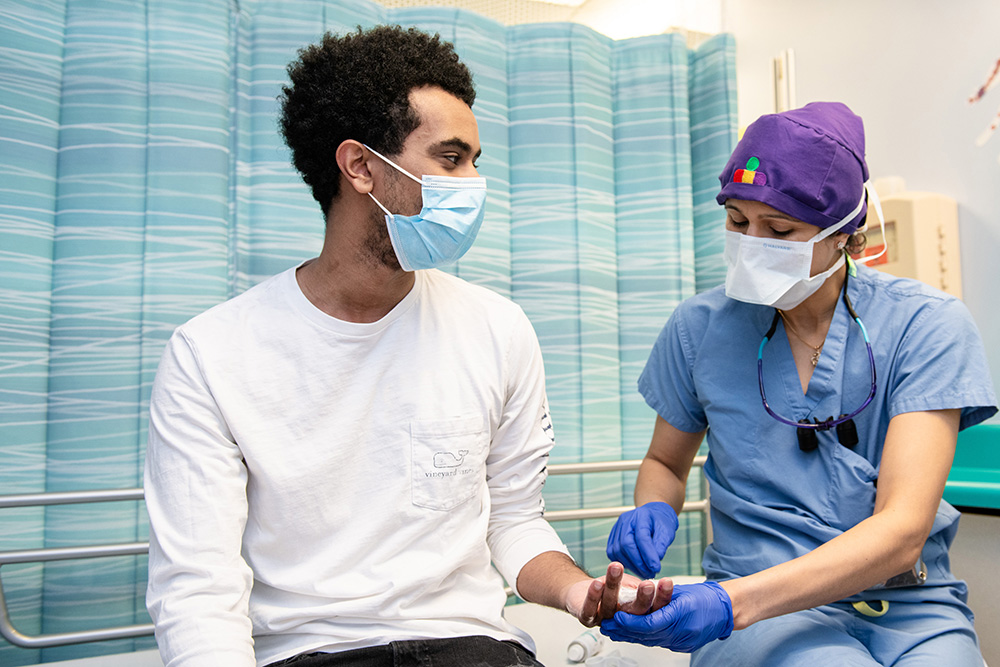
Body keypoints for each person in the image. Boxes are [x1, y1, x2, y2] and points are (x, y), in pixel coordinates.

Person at [144, 25, 662, 667]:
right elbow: (198, 586)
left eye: (475, 161)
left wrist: (578, 590)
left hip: (473, 648)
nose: (472, 183)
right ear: (361, 166)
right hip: (313, 651)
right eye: (451, 159)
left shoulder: (497, 329)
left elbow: (514, 521)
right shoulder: (212, 353)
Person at [602, 102, 998, 665]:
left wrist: (723, 604)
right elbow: (666, 464)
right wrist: (654, 509)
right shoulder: (699, 328)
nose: (751, 243)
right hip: (761, 607)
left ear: (845, 233)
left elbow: (904, 529)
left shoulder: (926, 326)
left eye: (780, 230)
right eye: (738, 222)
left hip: (911, 605)